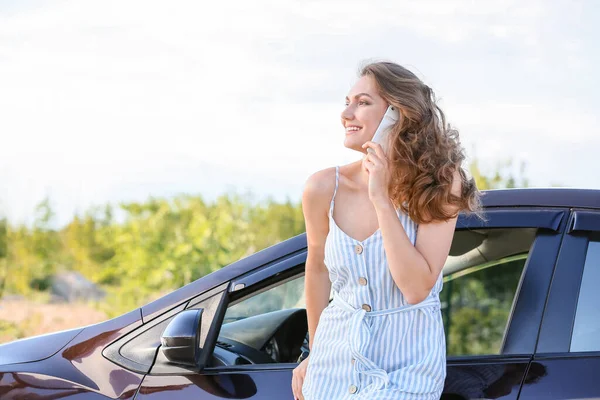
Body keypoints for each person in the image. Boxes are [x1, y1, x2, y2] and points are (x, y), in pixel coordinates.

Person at [291, 61, 483, 400]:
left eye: (362, 102)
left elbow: (416, 288)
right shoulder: (323, 187)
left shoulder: (440, 183)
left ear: (400, 113)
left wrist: (380, 198)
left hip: (407, 367)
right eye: (347, 101)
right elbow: (317, 268)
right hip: (334, 362)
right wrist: (315, 353)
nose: (346, 113)